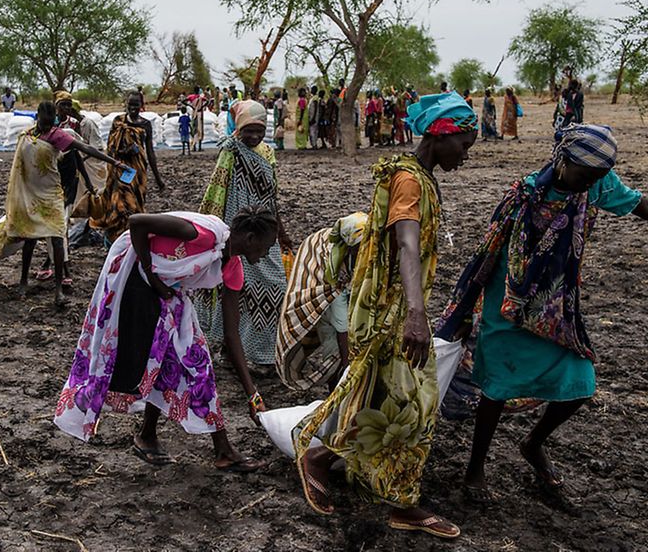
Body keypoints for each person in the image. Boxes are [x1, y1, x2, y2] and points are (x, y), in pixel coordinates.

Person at [435, 124, 648, 502]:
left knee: (580, 381)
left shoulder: (595, 183)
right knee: (496, 387)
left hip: (555, 303)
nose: (591, 184)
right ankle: (475, 469)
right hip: (510, 300)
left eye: (598, 177)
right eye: (586, 175)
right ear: (562, 161)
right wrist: (471, 303)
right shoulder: (525, 194)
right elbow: (491, 247)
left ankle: (533, 443)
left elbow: (639, 204)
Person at [293, 91, 478, 538]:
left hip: (393, 306)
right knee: (415, 403)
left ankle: (326, 460)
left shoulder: (416, 174)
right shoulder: (410, 181)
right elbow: (406, 244)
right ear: (439, 135)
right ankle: (396, 499)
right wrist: (415, 313)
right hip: (391, 310)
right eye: (464, 145)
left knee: (375, 392)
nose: (466, 156)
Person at [53, 207, 278, 472]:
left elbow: (232, 334)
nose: (265, 255)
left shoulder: (232, 268)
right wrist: (152, 276)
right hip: (135, 277)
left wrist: (252, 394)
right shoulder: (201, 234)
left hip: (168, 292)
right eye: (266, 247)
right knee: (149, 359)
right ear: (250, 239)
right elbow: (136, 223)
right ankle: (220, 450)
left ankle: (157, 438)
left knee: (191, 362)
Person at [0, 101, 125, 307]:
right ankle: (24, 281)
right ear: (38, 117)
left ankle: (59, 288)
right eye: (42, 121)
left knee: (57, 237)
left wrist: (112, 161)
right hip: (31, 194)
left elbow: (84, 148)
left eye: (48, 122)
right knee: (30, 237)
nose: (44, 126)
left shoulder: (57, 136)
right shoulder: (28, 135)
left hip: (51, 194)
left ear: (52, 119)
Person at [199, 100, 293, 365]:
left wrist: (280, 231)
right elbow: (216, 191)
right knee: (237, 290)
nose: (253, 136)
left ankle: (263, 354)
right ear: (238, 128)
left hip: (263, 230)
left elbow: (272, 196)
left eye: (259, 130)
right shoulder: (230, 152)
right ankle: (232, 350)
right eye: (247, 130)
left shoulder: (267, 153)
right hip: (237, 231)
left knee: (275, 286)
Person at [276, 212, 367, 392]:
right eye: (361, 249)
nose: (366, 252)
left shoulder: (369, 251)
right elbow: (342, 327)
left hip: (348, 289)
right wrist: (349, 369)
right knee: (333, 345)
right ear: (349, 249)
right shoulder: (334, 272)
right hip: (327, 289)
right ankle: (335, 388)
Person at [34, 92, 103, 285]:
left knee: (61, 224)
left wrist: (88, 182)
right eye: (61, 105)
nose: (64, 108)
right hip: (51, 181)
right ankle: (56, 262)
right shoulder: (47, 129)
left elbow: (78, 154)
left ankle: (59, 267)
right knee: (54, 226)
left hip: (68, 181)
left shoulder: (74, 127)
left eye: (67, 105)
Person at [89, 92, 166, 243]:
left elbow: (150, 152)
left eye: (136, 104)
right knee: (119, 205)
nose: (132, 108)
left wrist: (158, 178)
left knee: (134, 206)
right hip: (119, 170)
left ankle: (130, 239)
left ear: (141, 106)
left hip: (137, 173)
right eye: (130, 104)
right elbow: (110, 148)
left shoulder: (145, 125)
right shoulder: (118, 122)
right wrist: (125, 152)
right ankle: (114, 240)